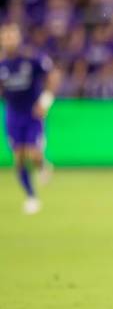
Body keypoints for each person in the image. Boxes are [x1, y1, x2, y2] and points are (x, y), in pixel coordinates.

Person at [0, 23, 60, 214]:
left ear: (18, 38)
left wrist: (46, 100)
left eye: (12, 36)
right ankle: (31, 197)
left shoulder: (32, 58)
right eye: (5, 37)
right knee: (18, 158)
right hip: (13, 114)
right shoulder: (2, 65)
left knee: (33, 154)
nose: (8, 40)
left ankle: (42, 165)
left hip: (33, 113)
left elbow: (53, 75)